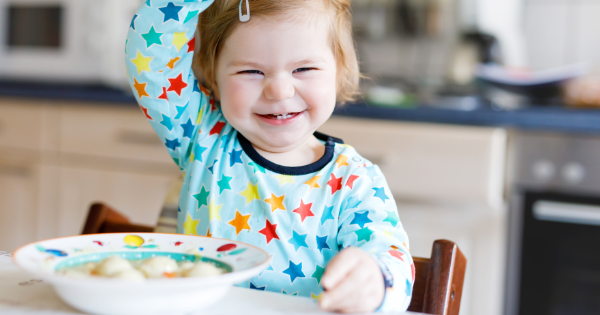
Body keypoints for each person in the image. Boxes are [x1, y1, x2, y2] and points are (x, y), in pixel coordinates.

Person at [125, 0, 414, 312]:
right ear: (214, 77)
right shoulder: (202, 137)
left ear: (339, 72)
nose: (279, 90)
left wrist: (374, 282)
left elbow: (391, 261)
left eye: (303, 68)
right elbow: (150, 53)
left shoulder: (355, 180)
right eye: (251, 71)